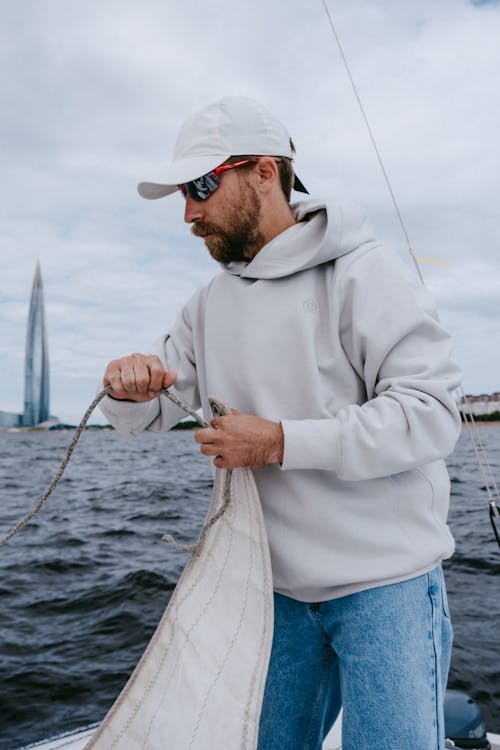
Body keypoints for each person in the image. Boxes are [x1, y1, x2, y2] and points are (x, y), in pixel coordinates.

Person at [100, 96, 462, 750]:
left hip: (386, 589)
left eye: (201, 185)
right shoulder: (206, 307)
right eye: (183, 194)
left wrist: (281, 442)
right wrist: (128, 387)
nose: (189, 211)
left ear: (264, 172)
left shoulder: (364, 272)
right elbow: (150, 413)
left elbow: (431, 414)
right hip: (273, 596)